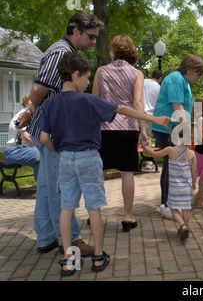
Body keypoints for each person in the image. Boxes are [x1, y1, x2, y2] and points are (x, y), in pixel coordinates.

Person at [39, 52, 169, 276]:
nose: (89, 82)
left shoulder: (50, 103)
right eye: (87, 77)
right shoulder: (88, 100)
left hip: (65, 159)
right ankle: (98, 257)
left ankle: (68, 259)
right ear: (76, 74)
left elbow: (43, 139)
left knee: (66, 208)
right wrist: (154, 120)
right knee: (94, 208)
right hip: (88, 157)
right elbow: (122, 109)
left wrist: (60, 151)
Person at [20, 11, 103, 256]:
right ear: (75, 31)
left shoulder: (64, 52)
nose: (93, 42)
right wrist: (33, 109)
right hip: (52, 132)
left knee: (47, 184)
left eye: (96, 38)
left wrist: (31, 113)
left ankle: (46, 238)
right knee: (61, 186)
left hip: (47, 128)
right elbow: (38, 89)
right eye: (91, 36)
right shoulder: (60, 52)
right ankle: (72, 240)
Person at [92, 34, 148, 232]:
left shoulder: (101, 71)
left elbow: (95, 100)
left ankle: (95, 215)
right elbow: (138, 102)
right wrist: (143, 129)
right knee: (127, 173)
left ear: (114, 51)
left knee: (100, 170)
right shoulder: (137, 73)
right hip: (128, 127)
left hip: (105, 127)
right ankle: (128, 217)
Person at [151, 54, 203, 219]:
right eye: (198, 73)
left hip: (173, 129)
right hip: (167, 129)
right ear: (189, 69)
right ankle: (166, 203)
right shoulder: (176, 79)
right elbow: (178, 108)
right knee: (171, 165)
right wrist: (187, 134)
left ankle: (170, 202)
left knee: (171, 165)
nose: (198, 77)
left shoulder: (183, 81)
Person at [143, 122, 197, 240]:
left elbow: (153, 154)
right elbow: (194, 171)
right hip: (187, 186)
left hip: (174, 186)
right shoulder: (192, 154)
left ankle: (182, 226)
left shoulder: (170, 150)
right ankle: (185, 226)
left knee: (173, 208)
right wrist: (194, 183)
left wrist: (144, 145)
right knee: (186, 208)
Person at [3, 94, 40, 180]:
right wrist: (36, 148)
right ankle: (43, 187)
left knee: (45, 156)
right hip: (14, 150)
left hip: (20, 150)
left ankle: (44, 185)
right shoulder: (24, 115)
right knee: (41, 157)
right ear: (27, 103)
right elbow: (26, 137)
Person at [142, 69, 162, 171]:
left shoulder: (143, 82)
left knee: (138, 137)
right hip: (150, 114)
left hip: (138, 112)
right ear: (160, 78)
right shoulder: (158, 87)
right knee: (148, 139)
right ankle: (149, 162)